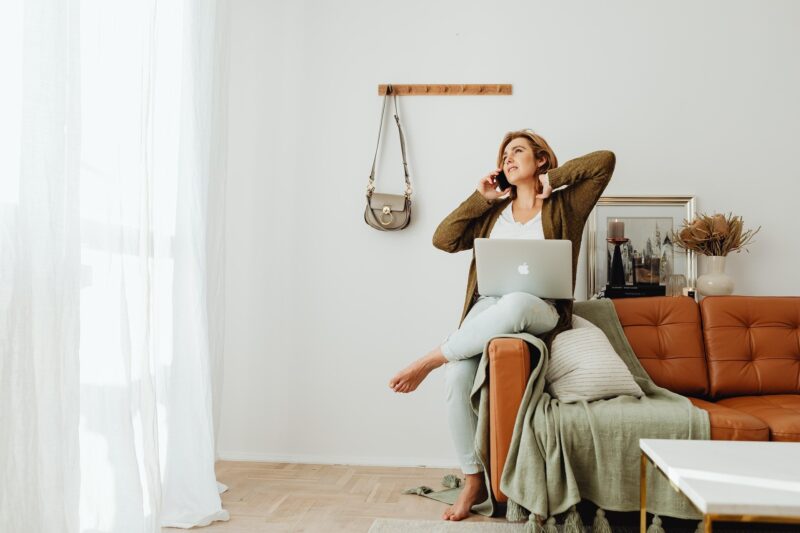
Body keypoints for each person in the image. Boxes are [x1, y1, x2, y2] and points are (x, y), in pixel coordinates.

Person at [388, 130, 615, 521]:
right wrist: (481, 198)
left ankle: (430, 358)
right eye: (504, 154)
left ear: (540, 159)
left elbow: (605, 160)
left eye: (518, 151)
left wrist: (552, 181)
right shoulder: (493, 212)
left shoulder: (566, 204)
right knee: (458, 378)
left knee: (515, 303)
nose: (508, 159)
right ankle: (473, 478)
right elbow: (443, 239)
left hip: (539, 307)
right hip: (487, 307)